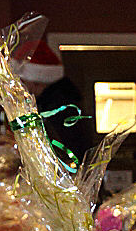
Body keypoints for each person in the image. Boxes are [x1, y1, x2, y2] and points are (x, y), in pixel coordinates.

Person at [15, 38, 96, 168]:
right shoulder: (58, 101)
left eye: (23, 81)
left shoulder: (57, 108)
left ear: (36, 80)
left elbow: (65, 155)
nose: (20, 87)